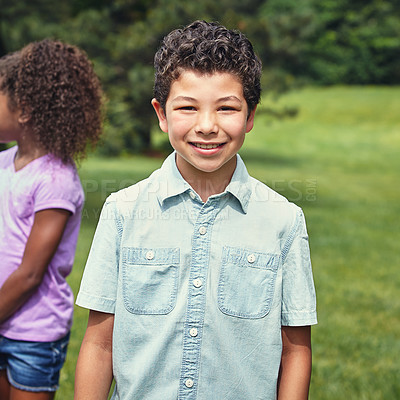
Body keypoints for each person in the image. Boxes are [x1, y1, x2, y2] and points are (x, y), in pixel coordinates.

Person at [75, 20, 317, 400]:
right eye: (188, 107)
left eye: (226, 108)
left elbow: (296, 351)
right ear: (161, 113)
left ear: (250, 115)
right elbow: (100, 344)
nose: (207, 126)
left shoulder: (284, 221)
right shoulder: (122, 212)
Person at [0, 39, 104, 400]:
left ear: (24, 110)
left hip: (33, 331)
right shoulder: (3, 163)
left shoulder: (55, 180)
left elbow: (30, 273)